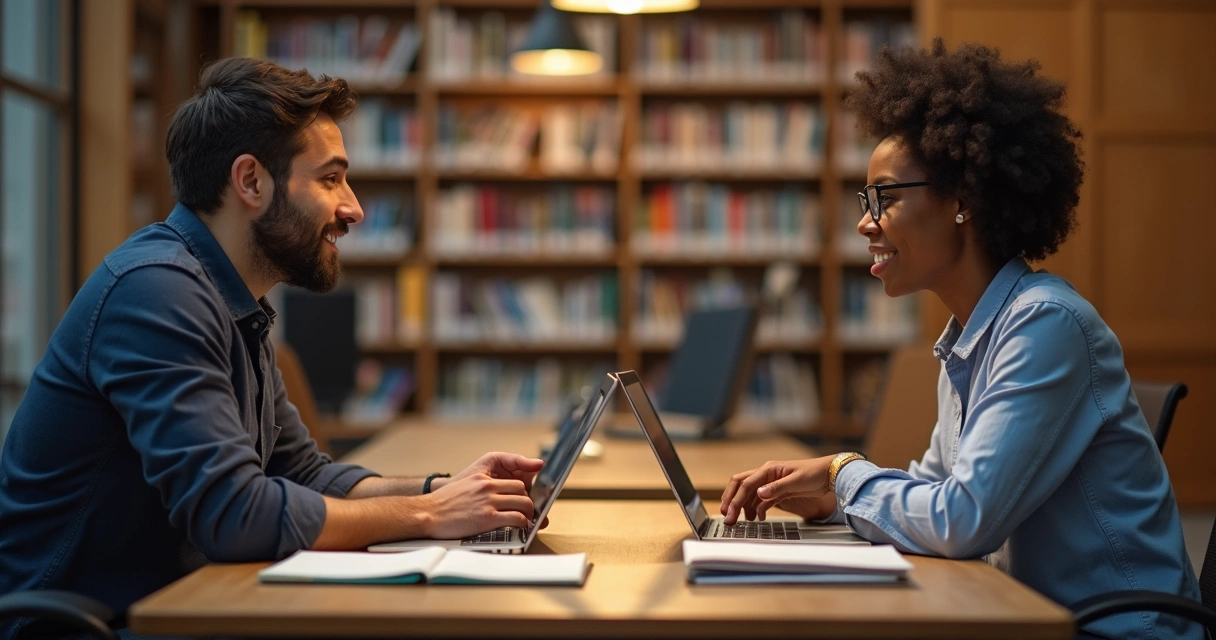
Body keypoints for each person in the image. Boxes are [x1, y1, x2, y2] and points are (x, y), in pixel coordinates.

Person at [0, 58, 544, 638]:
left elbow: (302, 472)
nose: (353, 208)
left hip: (178, 602)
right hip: (78, 627)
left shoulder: (233, 300)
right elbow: (233, 516)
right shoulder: (156, 292)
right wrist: (431, 515)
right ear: (251, 182)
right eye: (330, 179)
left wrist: (448, 490)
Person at [718, 40, 1201, 640]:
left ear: (962, 202)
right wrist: (829, 498)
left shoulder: (1046, 324)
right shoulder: (970, 334)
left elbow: (962, 519)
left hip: (1118, 632)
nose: (865, 222)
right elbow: (933, 490)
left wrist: (845, 472)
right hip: (1028, 616)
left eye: (886, 198)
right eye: (865, 201)